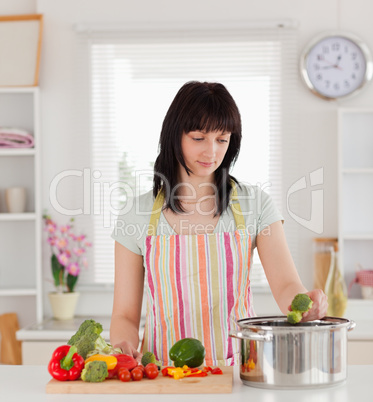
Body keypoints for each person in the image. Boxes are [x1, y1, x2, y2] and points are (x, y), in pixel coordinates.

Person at [110, 81, 328, 366]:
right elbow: (125, 315)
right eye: (198, 138)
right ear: (174, 136)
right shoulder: (136, 213)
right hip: (164, 374)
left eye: (222, 139)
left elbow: (286, 284)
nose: (211, 152)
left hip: (238, 370)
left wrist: (305, 305)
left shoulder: (256, 204)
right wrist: (123, 345)